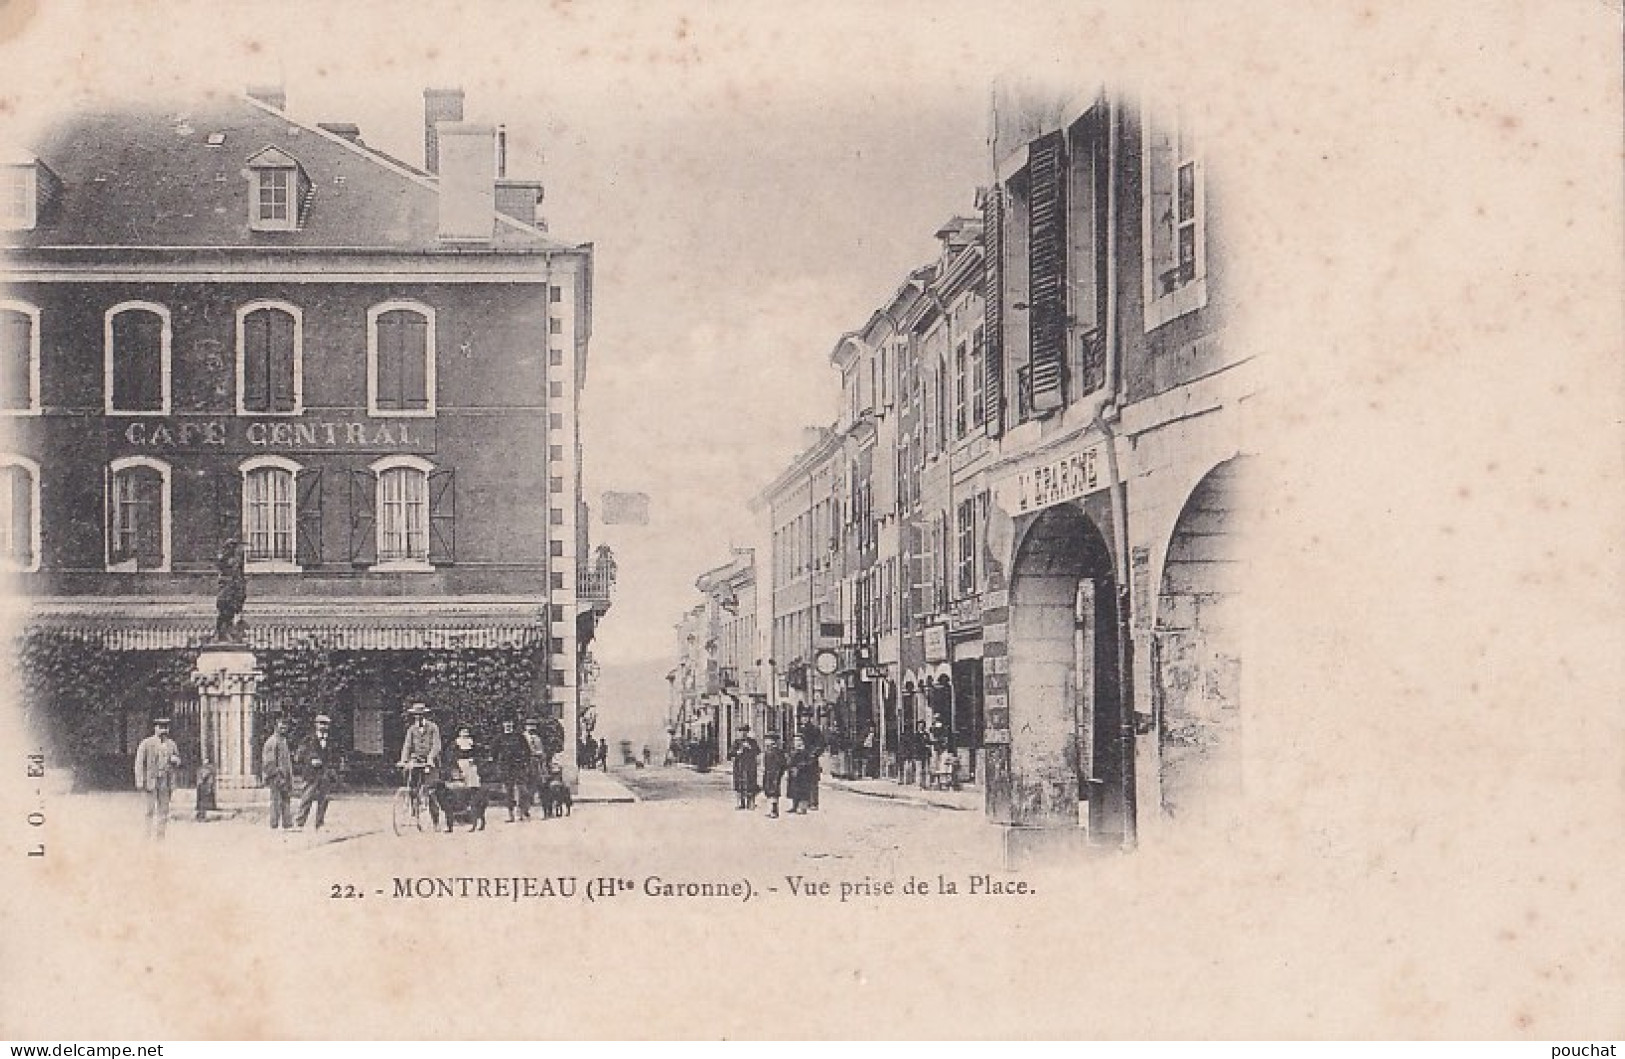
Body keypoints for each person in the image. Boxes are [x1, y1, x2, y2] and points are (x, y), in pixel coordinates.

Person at [133, 717, 182, 840]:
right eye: (160, 727)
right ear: (155, 728)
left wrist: (176, 761)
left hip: (165, 782)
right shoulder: (146, 743)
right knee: (149, 810)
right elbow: (139, 763)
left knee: (163, 811)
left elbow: (178, 759)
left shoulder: (172, 744)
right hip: (150, 781)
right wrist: (140, 780)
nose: (163, 730)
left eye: (165, 727)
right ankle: (146, 837)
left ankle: (160, 838)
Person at [294, 714, 338, 831]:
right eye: (321, 723)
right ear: (316, 725)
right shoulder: (308, 739)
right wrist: (311, 760)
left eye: (326, 724)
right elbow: (299, 756)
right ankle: (299, 823)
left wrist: (332, 770)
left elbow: (335, 757)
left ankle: (320, 823)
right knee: (306, 798)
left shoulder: (331, 741)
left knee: (324, 800)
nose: (323, 726)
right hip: (311, 774)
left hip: (325, 774)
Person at [396, 703, 442, 809]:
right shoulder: (412, 729)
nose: (418, 717)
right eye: (416, 715)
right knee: (409, 773)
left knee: (431, 786)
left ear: (425, 715)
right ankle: (414, 802)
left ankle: (432, 807)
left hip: (431, 760)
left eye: (420, 715)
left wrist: (430, 757)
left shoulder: (433, 727)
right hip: (416, 758)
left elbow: (436, 745)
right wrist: (404, 760)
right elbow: (407, 745)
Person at [494, 718, 533, 821]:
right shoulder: (499, 738)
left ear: (512, 724)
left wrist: (525, 763)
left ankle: (521, 812)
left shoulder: (519, 737)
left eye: (510, 722)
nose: (508, 725)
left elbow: (527, 751)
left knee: (522, 790)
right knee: (509, 791)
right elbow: (493, 753)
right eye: (506, 723)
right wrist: (498, 765)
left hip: (519, 767)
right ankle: (510, 814)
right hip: (506, 768)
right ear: (503, 724)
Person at [261, 716, 295, 831]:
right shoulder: (272, 742)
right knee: (276, 800)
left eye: (285, 725)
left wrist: (289, 776)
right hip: (276, 776)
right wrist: (276, 775)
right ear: (276, 726)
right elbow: (269, 762)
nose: (284, 727)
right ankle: (274, 824)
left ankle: (287, 823)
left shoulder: (283, 741)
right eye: (281, 725)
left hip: (285, 775)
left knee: (286, 798)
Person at [796, 708, 826, 811]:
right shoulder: (799, 730)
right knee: (804, 780)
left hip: (811, 759)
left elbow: (821, 744)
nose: (804, 719)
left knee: (813, 780)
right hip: (802, 758)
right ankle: (806, 801)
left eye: (806, 717)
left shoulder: (815, 730)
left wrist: (814, 754)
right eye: (802, 717)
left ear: (810, 718)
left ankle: (814, 803)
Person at [729, 724, 761, 810]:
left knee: (751, 784)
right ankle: (740, 803)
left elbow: (758, 751)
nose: (743, 733)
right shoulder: (736, 742)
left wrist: (750, 747)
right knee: (739, 785)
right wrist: (737, 752)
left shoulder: (752, 742)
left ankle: (751, 803)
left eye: (744, 732)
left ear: (747, 732)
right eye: (740, 732)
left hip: (750, 766)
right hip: (739, 766)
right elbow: (730, 754)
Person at [786, 734, 816, 815]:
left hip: (803, 774)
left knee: (803, 791)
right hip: (794, 773)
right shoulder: (793, 751)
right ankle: (794, 806)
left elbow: (810, 762)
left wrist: (799, 767)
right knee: (794, 790)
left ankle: (802, 807)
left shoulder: (807, 751)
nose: (796, 742)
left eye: (799, 740)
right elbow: (789, 761)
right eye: (795, 741)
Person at [760, 733, 787, 819]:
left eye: (768, 740)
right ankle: (770, 810)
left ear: (773, 741)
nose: (766, 742)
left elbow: (782, 764)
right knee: (768, 791)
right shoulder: (768, 751)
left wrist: (779, 773)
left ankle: (774, 811)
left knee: (774, 792)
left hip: (775, 774)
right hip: (768, 773)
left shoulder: (777, 751)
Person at [914, 719, 935, 789]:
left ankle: (926, 784)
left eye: (922, 726)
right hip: (919, 754)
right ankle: (919, 785)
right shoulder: (916, 735)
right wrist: (924, 746)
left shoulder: (926, 734)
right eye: (920, 726)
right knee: (919, 770)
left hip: (926, 754)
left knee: (926, 769)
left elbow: (929, 742)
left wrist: (933, 742)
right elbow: (916, 745)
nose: (921, 727)